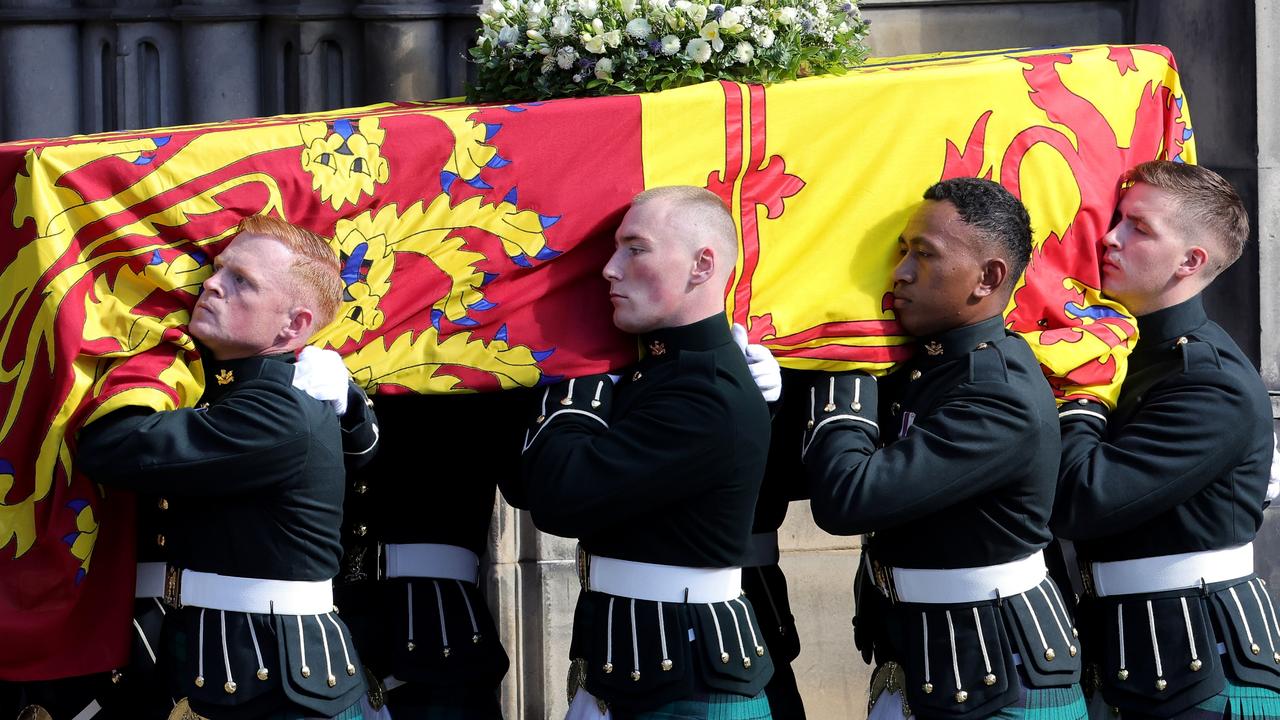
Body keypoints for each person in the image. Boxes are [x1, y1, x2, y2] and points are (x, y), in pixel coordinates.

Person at [801, 178, 1086, 719]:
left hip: (995, 675)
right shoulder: (926, 366)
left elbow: (847, 498)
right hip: (922, 654)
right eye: (902, 251)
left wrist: (843, 364)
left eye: (925, 255)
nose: (900, 272)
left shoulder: (998, 392)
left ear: (988, 277)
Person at [74, 215, 370, 720]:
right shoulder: (215, 386)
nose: (211, 284)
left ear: (294, 325)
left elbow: (113, 448)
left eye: (242, 281)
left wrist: (136, 370)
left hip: (270, 680)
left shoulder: (279, 412)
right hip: (194, 662)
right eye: (217, 270)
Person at [507, 185, 776, 719]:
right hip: (624, 666)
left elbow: (560, 498)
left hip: (686, 686)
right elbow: (523, 482)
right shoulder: (653, 375)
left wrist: (577, 376)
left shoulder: (707, 394)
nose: (609, 269)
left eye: (636, 248)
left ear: (702, 265)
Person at [1052, 161, 1280, 718]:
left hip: (1196, 666)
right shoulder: (1131, 351)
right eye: (1117, 220)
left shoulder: (1210, 381)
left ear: (1191, 260)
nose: (1109, 237)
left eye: (1139, 228)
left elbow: (1079, 499)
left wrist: (1083, 394)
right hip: (1121, 650)